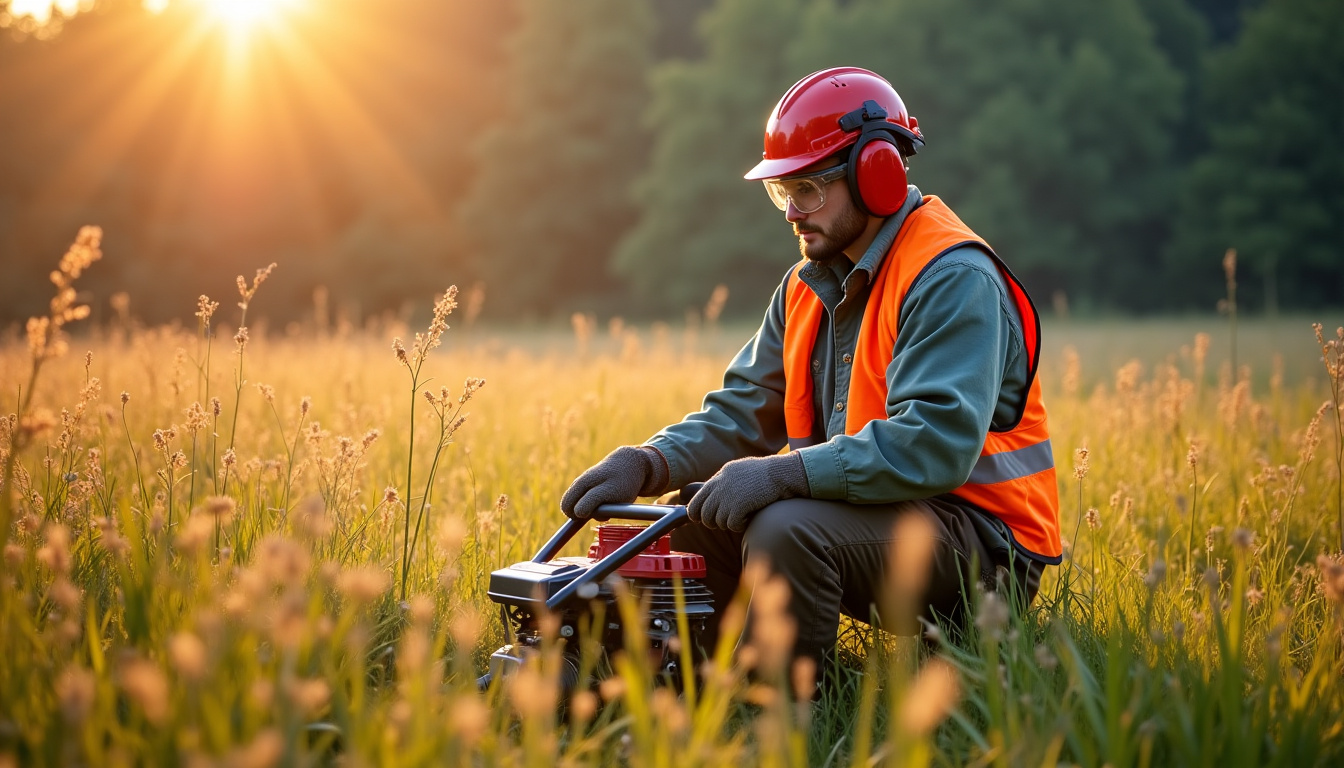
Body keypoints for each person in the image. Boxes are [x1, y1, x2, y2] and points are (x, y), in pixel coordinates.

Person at [561, 67, 1061, 672]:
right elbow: (743, 410)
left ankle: (780, 712)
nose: (793, 213)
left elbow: (933, 445)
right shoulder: (805, 286)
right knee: (693, 517)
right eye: (783, 193)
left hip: (985, 548)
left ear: (876, 173)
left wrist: (783, 475)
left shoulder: (951, 276)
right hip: (886, 515)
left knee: (786, 525)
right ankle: (674, 684)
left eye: (809, 190)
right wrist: (649, 462)